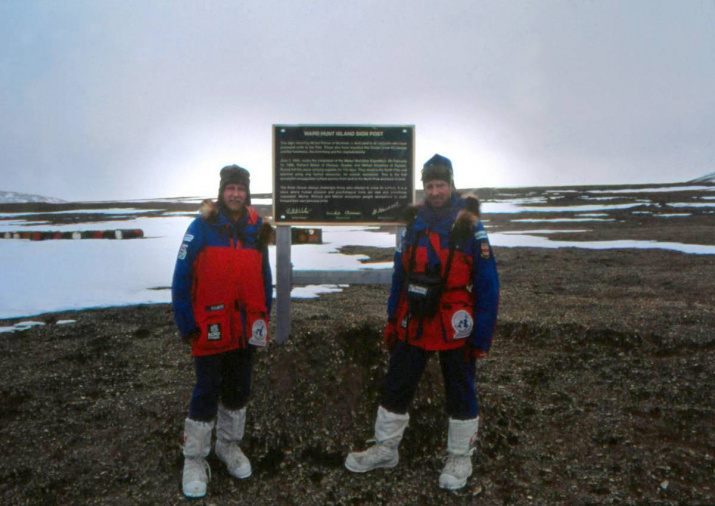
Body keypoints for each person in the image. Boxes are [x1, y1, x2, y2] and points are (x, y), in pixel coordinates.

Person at [344, 154, 499, 490]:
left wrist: (481, 338)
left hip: (457, 325)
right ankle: (386, 449)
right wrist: (391, 320)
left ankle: (460, 456)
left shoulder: (471, 227)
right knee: (397, 383)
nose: (435, 190)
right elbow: (399, 276)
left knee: (460, 389)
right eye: (429, 185)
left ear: (451, 184)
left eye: (440, 184)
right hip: (414, 320)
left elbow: (488, 285)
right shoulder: (413, 226)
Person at [172, 164, 273, 498]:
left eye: (241, 189)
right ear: (222, 191)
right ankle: (195, 458)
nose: (235, 194)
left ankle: (228, 446)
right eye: (230, 188)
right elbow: (182, 277)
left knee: (238, 389)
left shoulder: (257, 230)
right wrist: (186, 323)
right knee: (206, 389)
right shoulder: (201, 227)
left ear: (247, 193)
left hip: (246, 329)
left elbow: (265, 278)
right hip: (210, 328)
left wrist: (263, 318)